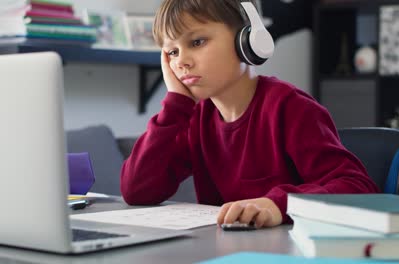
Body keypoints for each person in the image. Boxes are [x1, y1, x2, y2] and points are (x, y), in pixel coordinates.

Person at [120, 0, 379, 229]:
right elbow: (136, 191)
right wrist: (175, 105)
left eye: (197, 42)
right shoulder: (196, 119)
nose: (181, 61)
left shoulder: (289, 107)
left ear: (247, 40)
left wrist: (277, 204)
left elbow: (357, 187)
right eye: (172, 52)